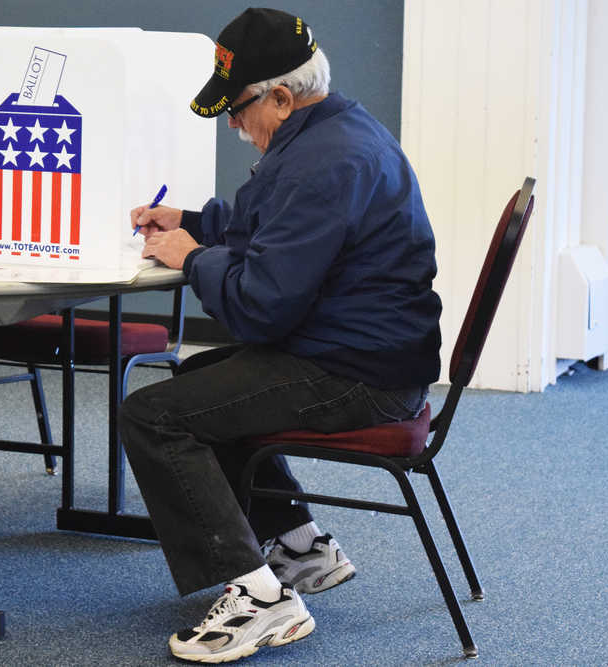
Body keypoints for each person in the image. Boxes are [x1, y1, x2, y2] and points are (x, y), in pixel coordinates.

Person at [120, 7, 442, 663]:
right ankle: (298, 546)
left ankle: (262, 599)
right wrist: (191, 222)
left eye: (237, 111)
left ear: (283, 97)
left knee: (153, 417)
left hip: (359, 377)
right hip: (367, 356)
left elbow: (259, 306)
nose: (235, 126)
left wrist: (189, 257)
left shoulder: (324, 164)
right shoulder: (333, 133)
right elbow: (269, 228)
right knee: (198, 386)